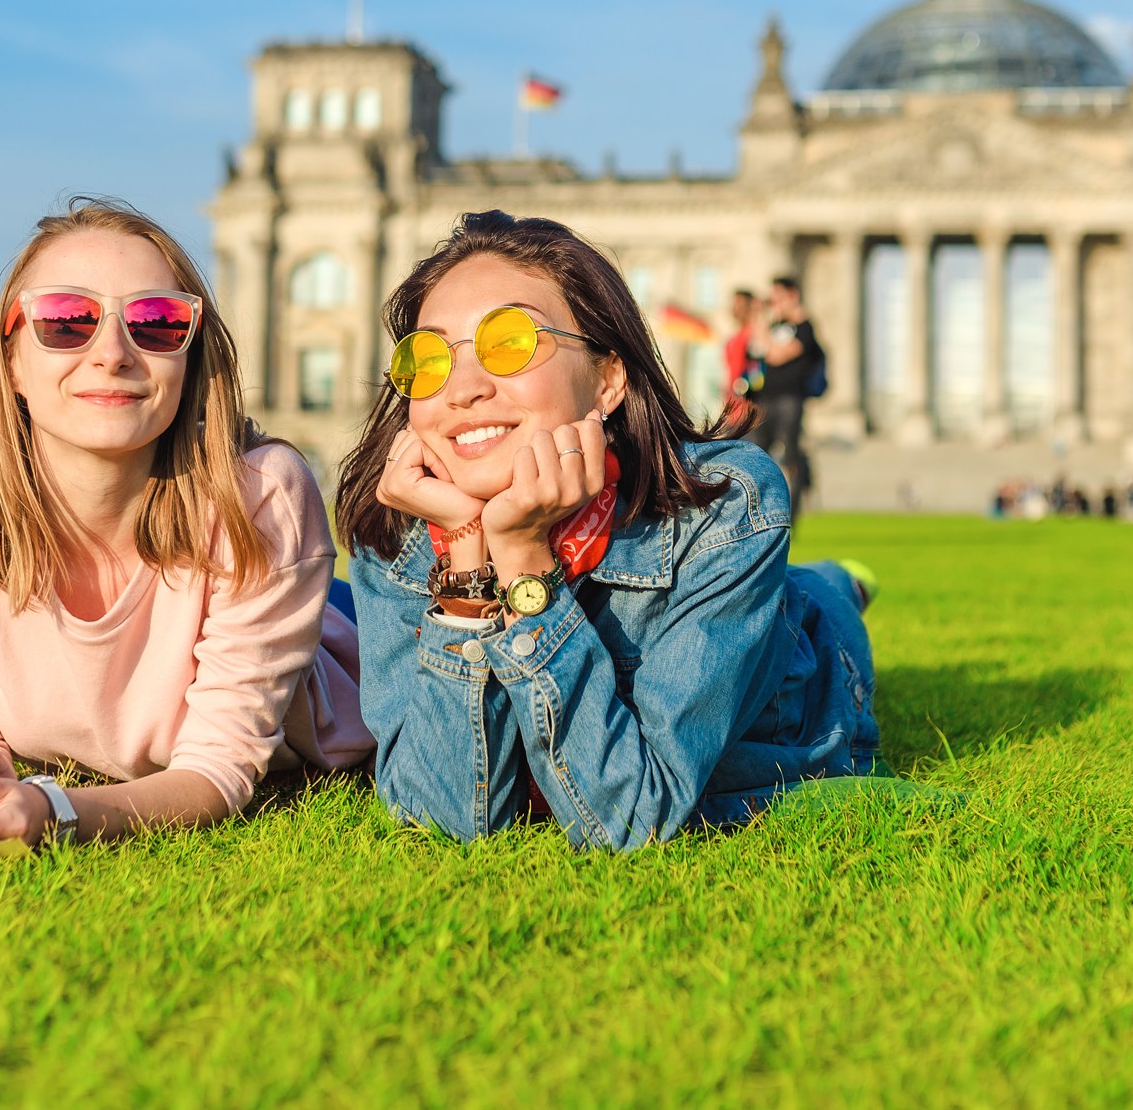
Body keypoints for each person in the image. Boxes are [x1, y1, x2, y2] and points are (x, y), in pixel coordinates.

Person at [337, 210, 878, 849]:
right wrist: (466, 565)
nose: (463, 389)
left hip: (805, 664)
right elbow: (448, 816)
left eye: (508, 343)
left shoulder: (724, 506)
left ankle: (837, 583)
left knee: (818, 598)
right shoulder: (396, 530)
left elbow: (627, 815)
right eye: (426, 359)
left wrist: (523, 559)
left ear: (606, 380)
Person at [0, 198, 371, 863]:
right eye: (66, 320)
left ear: (190, 358)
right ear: (12, 358)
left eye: (156, 323)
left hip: (329, 627)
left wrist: (55, 811)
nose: (111, 353)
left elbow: (219, 767)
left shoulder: (261, 496)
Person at [746, 276, 823, 509]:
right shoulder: (774, 327)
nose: (773, 304)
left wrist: (762, 330)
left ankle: (794, 508)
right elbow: (756, 354)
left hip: (790, 399)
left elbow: (778, 355)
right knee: (755, 452)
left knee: (790, 454)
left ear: (793, 296)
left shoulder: (805, 328)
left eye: (777, 298)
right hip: (765, 399)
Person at [720, 288, 760, 429]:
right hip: (732, 407)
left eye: (739, 304)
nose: (734, 308)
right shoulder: (734, 337)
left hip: (747, 407)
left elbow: (756, 372)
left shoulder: (754, 334)